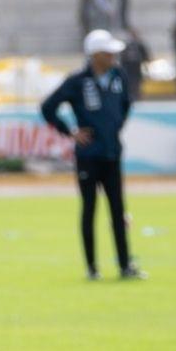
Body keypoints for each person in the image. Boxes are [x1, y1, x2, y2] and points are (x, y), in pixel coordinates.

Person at [40, 29, 144, 281]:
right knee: (89, 210)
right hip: (88, 156)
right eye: (108, 52)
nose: (113, 56)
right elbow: (48, 107)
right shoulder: (77, 80)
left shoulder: (118, 76)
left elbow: (126, 104)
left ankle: (125, 265)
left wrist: (115, 126)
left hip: (112, 153)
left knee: (118, 210)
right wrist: (71, 132)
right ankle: (92, 267)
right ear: (96, 55)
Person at [119, 27, 150, 101]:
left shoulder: (139, 44)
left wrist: (146, 62)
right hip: (129, 66)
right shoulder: (126, 44)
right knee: (130, 80)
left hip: (136, 66)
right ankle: (131, 94)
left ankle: (136, 94)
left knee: (137, 80)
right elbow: (122, 56)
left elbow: (145, 54)